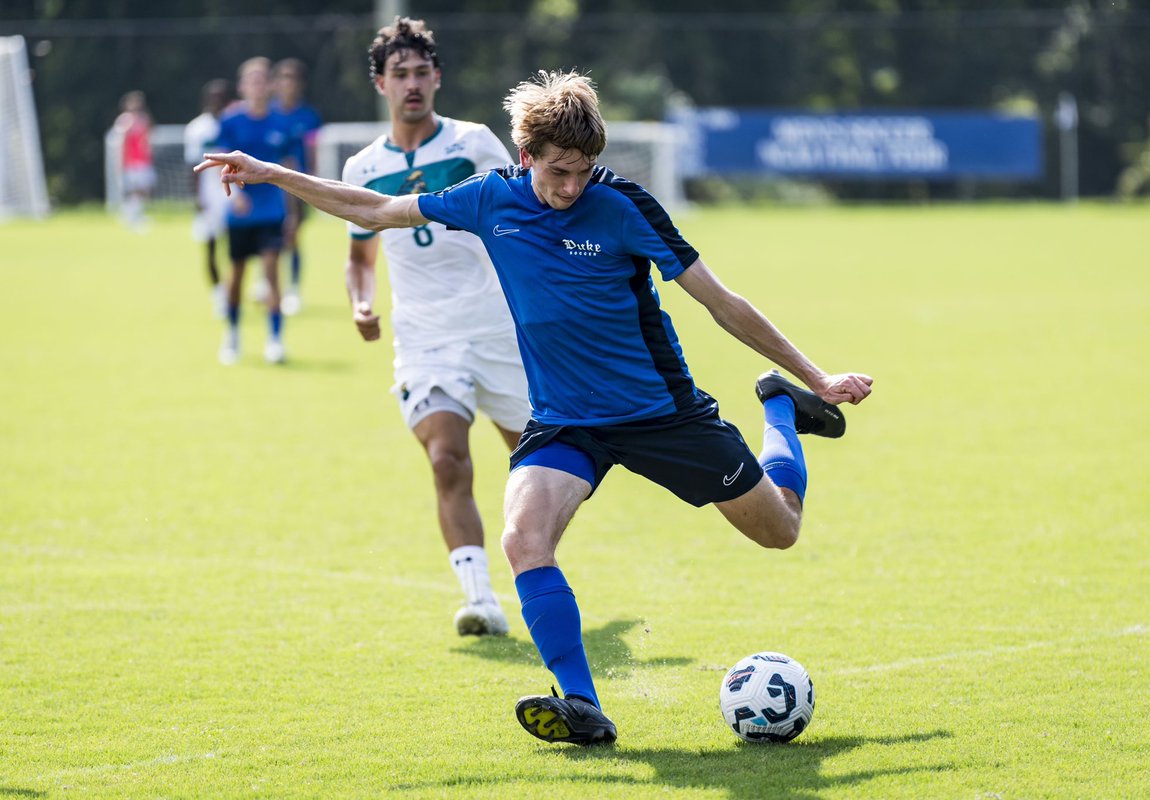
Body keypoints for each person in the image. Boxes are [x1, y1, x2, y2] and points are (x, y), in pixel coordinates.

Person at [196, 70, 873, 746]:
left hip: (661, 415)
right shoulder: (491, 200)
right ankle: (581, 705)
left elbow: (722, 303)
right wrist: (271, 173)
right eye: (557, 171)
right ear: (526, 158)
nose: (571, 186)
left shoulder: (624, 206)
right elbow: (375, 210)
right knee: (523, 539)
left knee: (780, 530)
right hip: (566, 421)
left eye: (582, 171)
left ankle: (782, 408)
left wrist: (815, 374)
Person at [340, 17, 527, 635]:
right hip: (425, 337)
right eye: (400, 74)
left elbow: (521, 222)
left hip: (498, 329)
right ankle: (481, 600)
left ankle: (537, 563)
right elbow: (359, 258)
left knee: (541, 464)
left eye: (422, 72)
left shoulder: (475, 144)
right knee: (448, 458)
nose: (412, 84)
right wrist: (362, 303)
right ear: (381, 84)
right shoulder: (363, 168)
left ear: (438, 77)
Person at [215, 57, 300, 365]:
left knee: (271, 274)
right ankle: (232, 335)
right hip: (240, 215)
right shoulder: (230, 121)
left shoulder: (283, 122)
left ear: (271, 85)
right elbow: (219, 163)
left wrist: (292, 213)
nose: (258, 85)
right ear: (242, 86)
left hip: (272, 213)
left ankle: (275, 340)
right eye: (252, 79)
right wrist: (233, 197)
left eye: (263, 79)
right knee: (236, 278)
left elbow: (291, 170)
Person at [270, 58, 323, 316]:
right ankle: (268, 284)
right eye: (283, 77)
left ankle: (293, 289)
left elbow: (312, 152)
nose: (287, 83)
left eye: (292, 78)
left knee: (292, 236)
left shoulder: (308, 116)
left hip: (297, 186)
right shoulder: (268, 113)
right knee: (268, 237)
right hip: (269, 187)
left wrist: (311, 184)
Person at [184, 79, 233, 317]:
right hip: (209, 195)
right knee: (211, 247)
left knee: (236, 248)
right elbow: (191, 165)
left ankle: (235, 292)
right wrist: (196, 197)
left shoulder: (234, 123)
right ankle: (218, 296)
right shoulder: (197, 129)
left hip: (234, 195)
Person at [113, 91, 155, 232]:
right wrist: (122, 162)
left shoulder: (144, 119)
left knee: (143, 190)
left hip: (143, 161)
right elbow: (122, 143)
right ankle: (131, 216)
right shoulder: (124, 121)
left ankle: (132, 214)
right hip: (131, 162)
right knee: (134, 190)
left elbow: (147, 139)